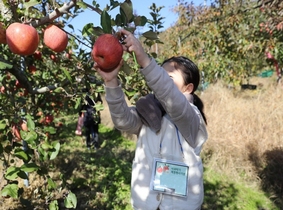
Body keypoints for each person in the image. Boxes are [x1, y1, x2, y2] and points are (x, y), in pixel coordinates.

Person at [95, 29, 208, 210]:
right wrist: (111, 81)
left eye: (168, 78)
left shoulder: (191, 118)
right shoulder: (149, 112)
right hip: (145, 203)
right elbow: (122, 121)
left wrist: (143, 59)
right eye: (159, 76)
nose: (159, 83)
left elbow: (172, 99)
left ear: (188, 88)